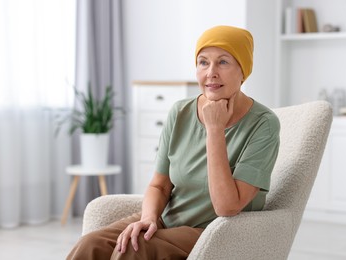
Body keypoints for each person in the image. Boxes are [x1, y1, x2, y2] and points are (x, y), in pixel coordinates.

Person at [67, 25, 280, 260]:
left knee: (134, 250)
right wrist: (148, 218)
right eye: (203, 62)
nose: (211, 73)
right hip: (166, 220)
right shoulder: (180, 112)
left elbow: (226, 207)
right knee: (90, 245)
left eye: (223, 62)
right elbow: (159, 185)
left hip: (214, 232)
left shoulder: (263, 124)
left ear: (243, 70)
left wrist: (215, 129)